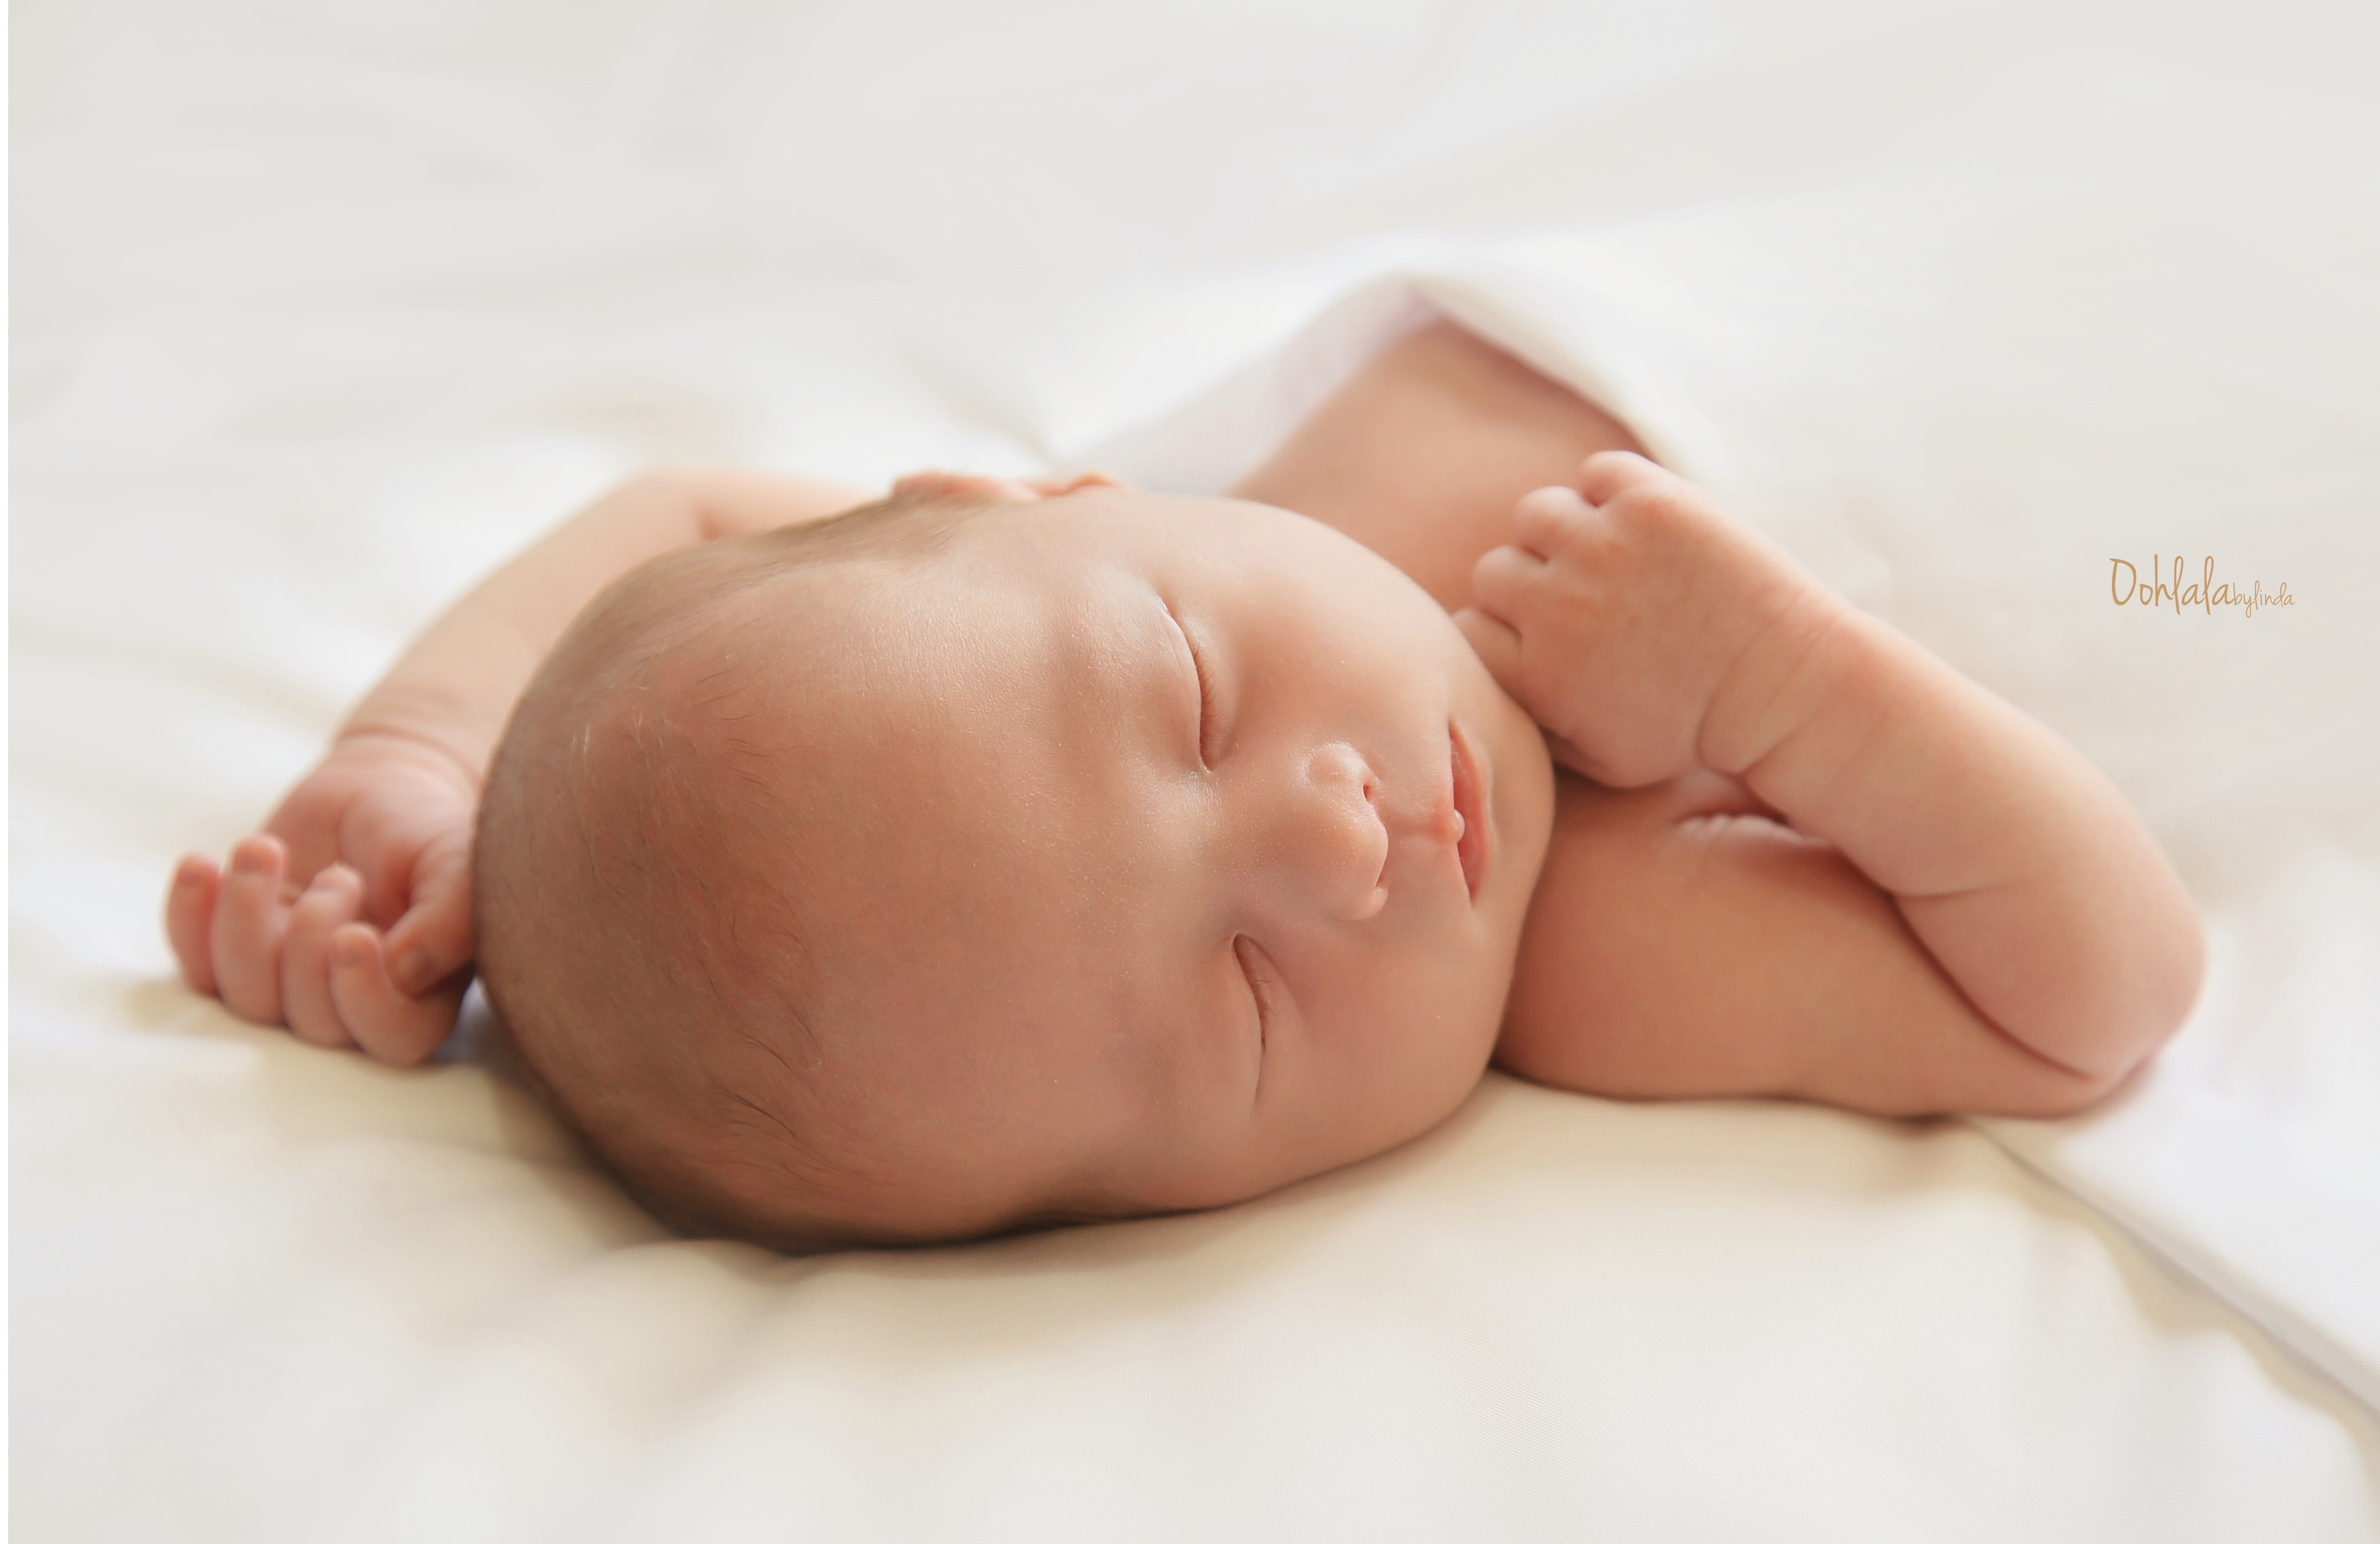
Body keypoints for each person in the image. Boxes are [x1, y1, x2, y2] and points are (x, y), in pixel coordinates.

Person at [164, 320, 2205, 1248]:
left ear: (1039, 499)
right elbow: (2085, 998)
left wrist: (418, 758)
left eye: (1194, 692)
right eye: (1238, 1002)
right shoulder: (1589, 934)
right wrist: (1786, 685)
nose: (1340, 844)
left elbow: (678, 513)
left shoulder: (1111, 554)